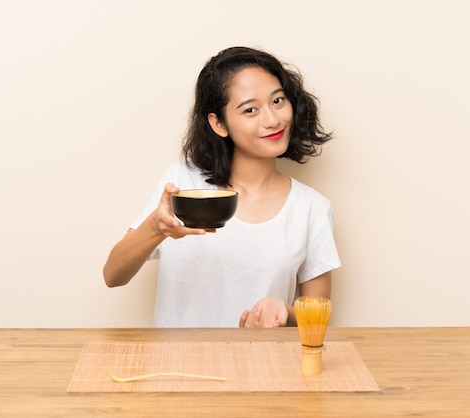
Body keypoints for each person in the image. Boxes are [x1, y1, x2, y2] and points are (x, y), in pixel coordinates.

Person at [103, 46, 341, 328]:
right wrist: (156, 226)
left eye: (278, 101)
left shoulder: (311, 207)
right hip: (178, 368)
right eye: (250, 109)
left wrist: (284, 314)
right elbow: (113, 276)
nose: (273, 119)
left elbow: (317, 318)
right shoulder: (181, 185)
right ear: (219, 124)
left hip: (264, 369)